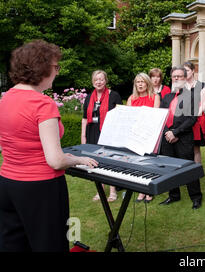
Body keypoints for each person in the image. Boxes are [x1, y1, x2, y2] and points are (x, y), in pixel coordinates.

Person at [0, 40, 98, 252]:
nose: (57, 72)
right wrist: (79, 159)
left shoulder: (5, 99)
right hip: (40, 188)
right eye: (56, 67)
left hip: (7, 184)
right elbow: (55, 160)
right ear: (41, 67)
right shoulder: (42, 103)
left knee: (14, 245)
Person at [158, 66, 203, 210]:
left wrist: (175, 132)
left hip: (183, 138)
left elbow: (192, 119)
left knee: (187, 168)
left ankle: (196, 197)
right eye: (174, 76)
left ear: (185, 78)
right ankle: (174, 195)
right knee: (169, 168)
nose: (176, 78)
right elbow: (161, 117)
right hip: (167, 138)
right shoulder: (167, 97)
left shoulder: (192, 96)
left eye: (180, 76)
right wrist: (167, 132)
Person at [81, 70, 122, 202]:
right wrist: (83, 136)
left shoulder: (114, 95)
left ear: (106, 81)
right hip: (92, 132)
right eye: (96, 79)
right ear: (93, 82)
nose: (99, 82)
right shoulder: (88, 97)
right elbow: (84, 118)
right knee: (96, 161)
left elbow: (120, 116)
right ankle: (100, 191)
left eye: (101, 79)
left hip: (109, 133)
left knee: (110, 160)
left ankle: (113, 191)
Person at [127, 72, 161, 203]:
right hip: (135, 134)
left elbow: (155, 116)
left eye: (142, 82)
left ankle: (149, 190)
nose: (140, 84)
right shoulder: (131, 98)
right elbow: (129, 117)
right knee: (137, 162)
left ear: (147, 83)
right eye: (137, 82)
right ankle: (141, 190)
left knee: (149, 163)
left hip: (149, 134)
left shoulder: (154, 97)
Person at [183, 62, 205, 165]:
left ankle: (196, 172)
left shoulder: (201, 85)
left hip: (197, 120)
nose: (185, 73)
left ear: (193, 71)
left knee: (195, 148)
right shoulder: (180, 85)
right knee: (183, 148)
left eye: (187, 70)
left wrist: (193, 117)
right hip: (183, 120)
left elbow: (203, 104)